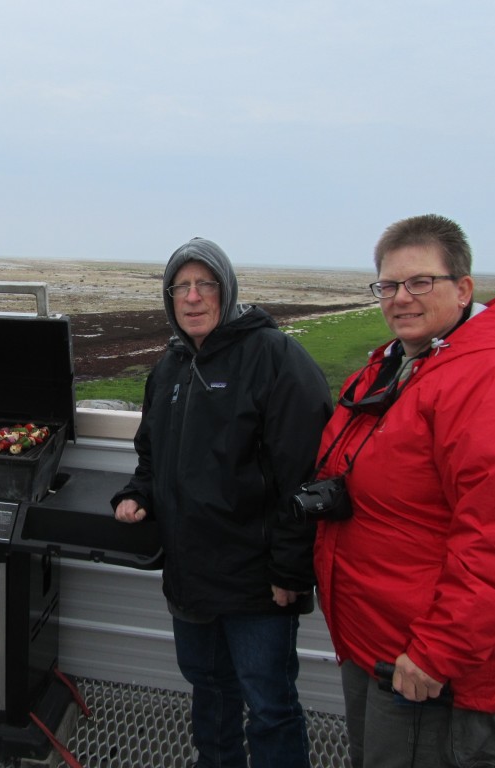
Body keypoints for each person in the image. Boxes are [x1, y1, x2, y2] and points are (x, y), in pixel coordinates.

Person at [312, 214, 495, 768]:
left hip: (430, 671)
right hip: (376, 645)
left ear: (463, 289)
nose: (401, 298)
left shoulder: (493, 379)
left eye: (420, 282)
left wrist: (438, 651)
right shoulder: (399, 366)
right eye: (388, 285)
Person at [111, 237, 332, 768]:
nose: (192, 297)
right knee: (209, 690)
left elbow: (306, 475)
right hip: (191, 577)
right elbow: (152, 456)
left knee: (269, 704)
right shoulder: (170, 367)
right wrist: (139, 493)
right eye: (180, 287)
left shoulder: (274, 358)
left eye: (204, 284)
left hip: (258, 584)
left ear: (226, 289)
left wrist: (291, 570)